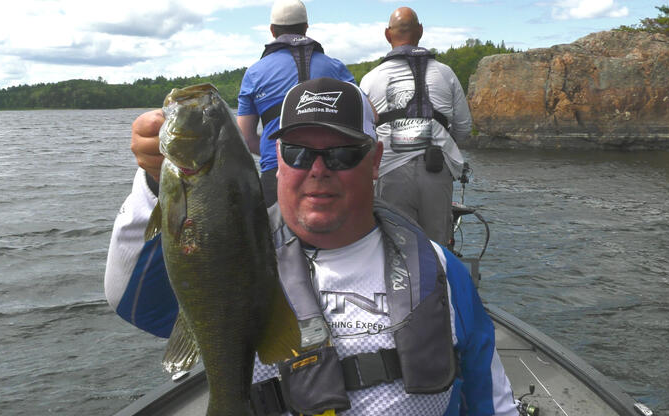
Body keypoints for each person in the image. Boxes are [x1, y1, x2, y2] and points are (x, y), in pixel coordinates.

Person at [105, 77, 517, 415]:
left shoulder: (441, 271)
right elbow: (127, 298)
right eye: (298, 152)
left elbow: (492, 402)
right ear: (277, 159)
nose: (318, 169)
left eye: (341, 153)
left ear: (375, 161)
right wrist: (155, 183)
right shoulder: (233, 252)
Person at [360, 7, 472, 246]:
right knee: (438, 249)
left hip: (390, 170)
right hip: (436, 168)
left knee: (396, 247)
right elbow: (463, 128)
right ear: (420, 32)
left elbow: (365, 135)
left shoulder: (371, 79)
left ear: (387, 35)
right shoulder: (446, 73)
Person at [237, 0, 355, 206]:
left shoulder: (254, 73)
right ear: (306, 28)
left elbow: (245, 139)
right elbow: (371, 115)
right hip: (331, 169)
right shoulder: (336, 67)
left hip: (278, 171)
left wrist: (274, 152)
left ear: (272, 31)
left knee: (277, 236)